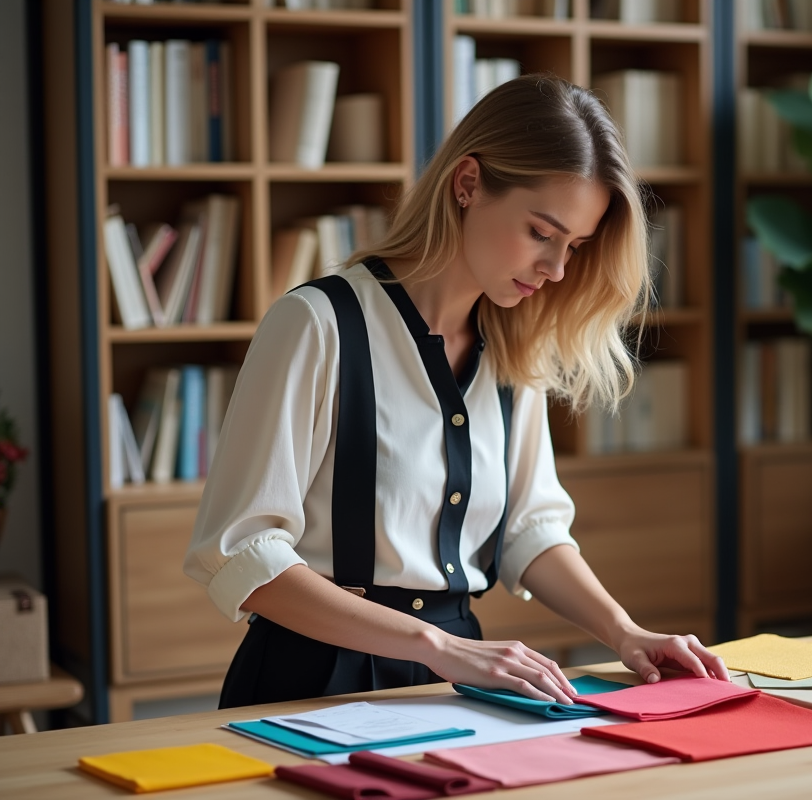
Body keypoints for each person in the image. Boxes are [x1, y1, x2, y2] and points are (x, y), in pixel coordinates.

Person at [184, 74, 729, 710]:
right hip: (312, 682)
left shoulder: (512, 346)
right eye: (541, 233)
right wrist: (435, 645)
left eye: (574, 247)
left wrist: (624, 631)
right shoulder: (317, 324)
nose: (556, 270)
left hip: (453, 682)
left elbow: (530, 528)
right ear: (467, 183)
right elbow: (243, 557)